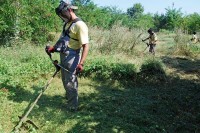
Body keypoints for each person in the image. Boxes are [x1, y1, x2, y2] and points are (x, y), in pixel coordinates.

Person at [45, 0, 89, 111]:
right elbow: (64, 40)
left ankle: (72, 107)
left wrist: (81, 63)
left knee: (71, 82)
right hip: (64, 55)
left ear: (69, 10)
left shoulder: (80, 25)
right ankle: (70, 100)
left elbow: (86, 46)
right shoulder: (67, 23)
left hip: (72, 57)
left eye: (63, 14)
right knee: (65, 81)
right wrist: (53, 48)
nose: (62, 17)